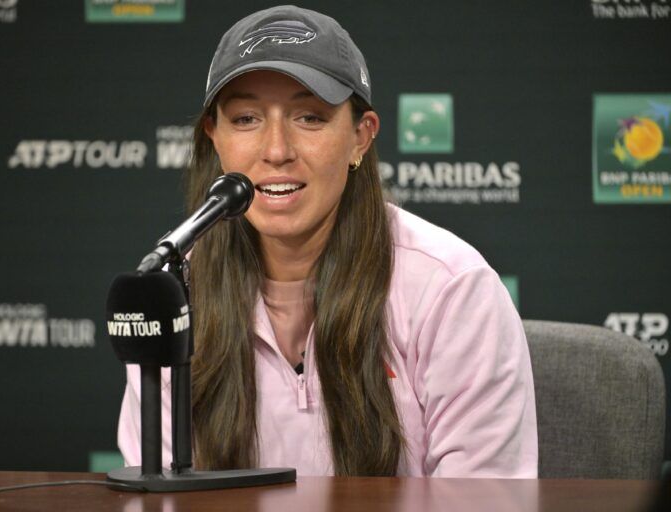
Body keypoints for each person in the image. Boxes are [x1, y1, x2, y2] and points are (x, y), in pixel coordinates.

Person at [118, 5, 538, 477]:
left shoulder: (451, 289)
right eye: (246, 119)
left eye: (310, 118)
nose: (276, 150)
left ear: (361, 137)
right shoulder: (177, 292)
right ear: (215, 137)